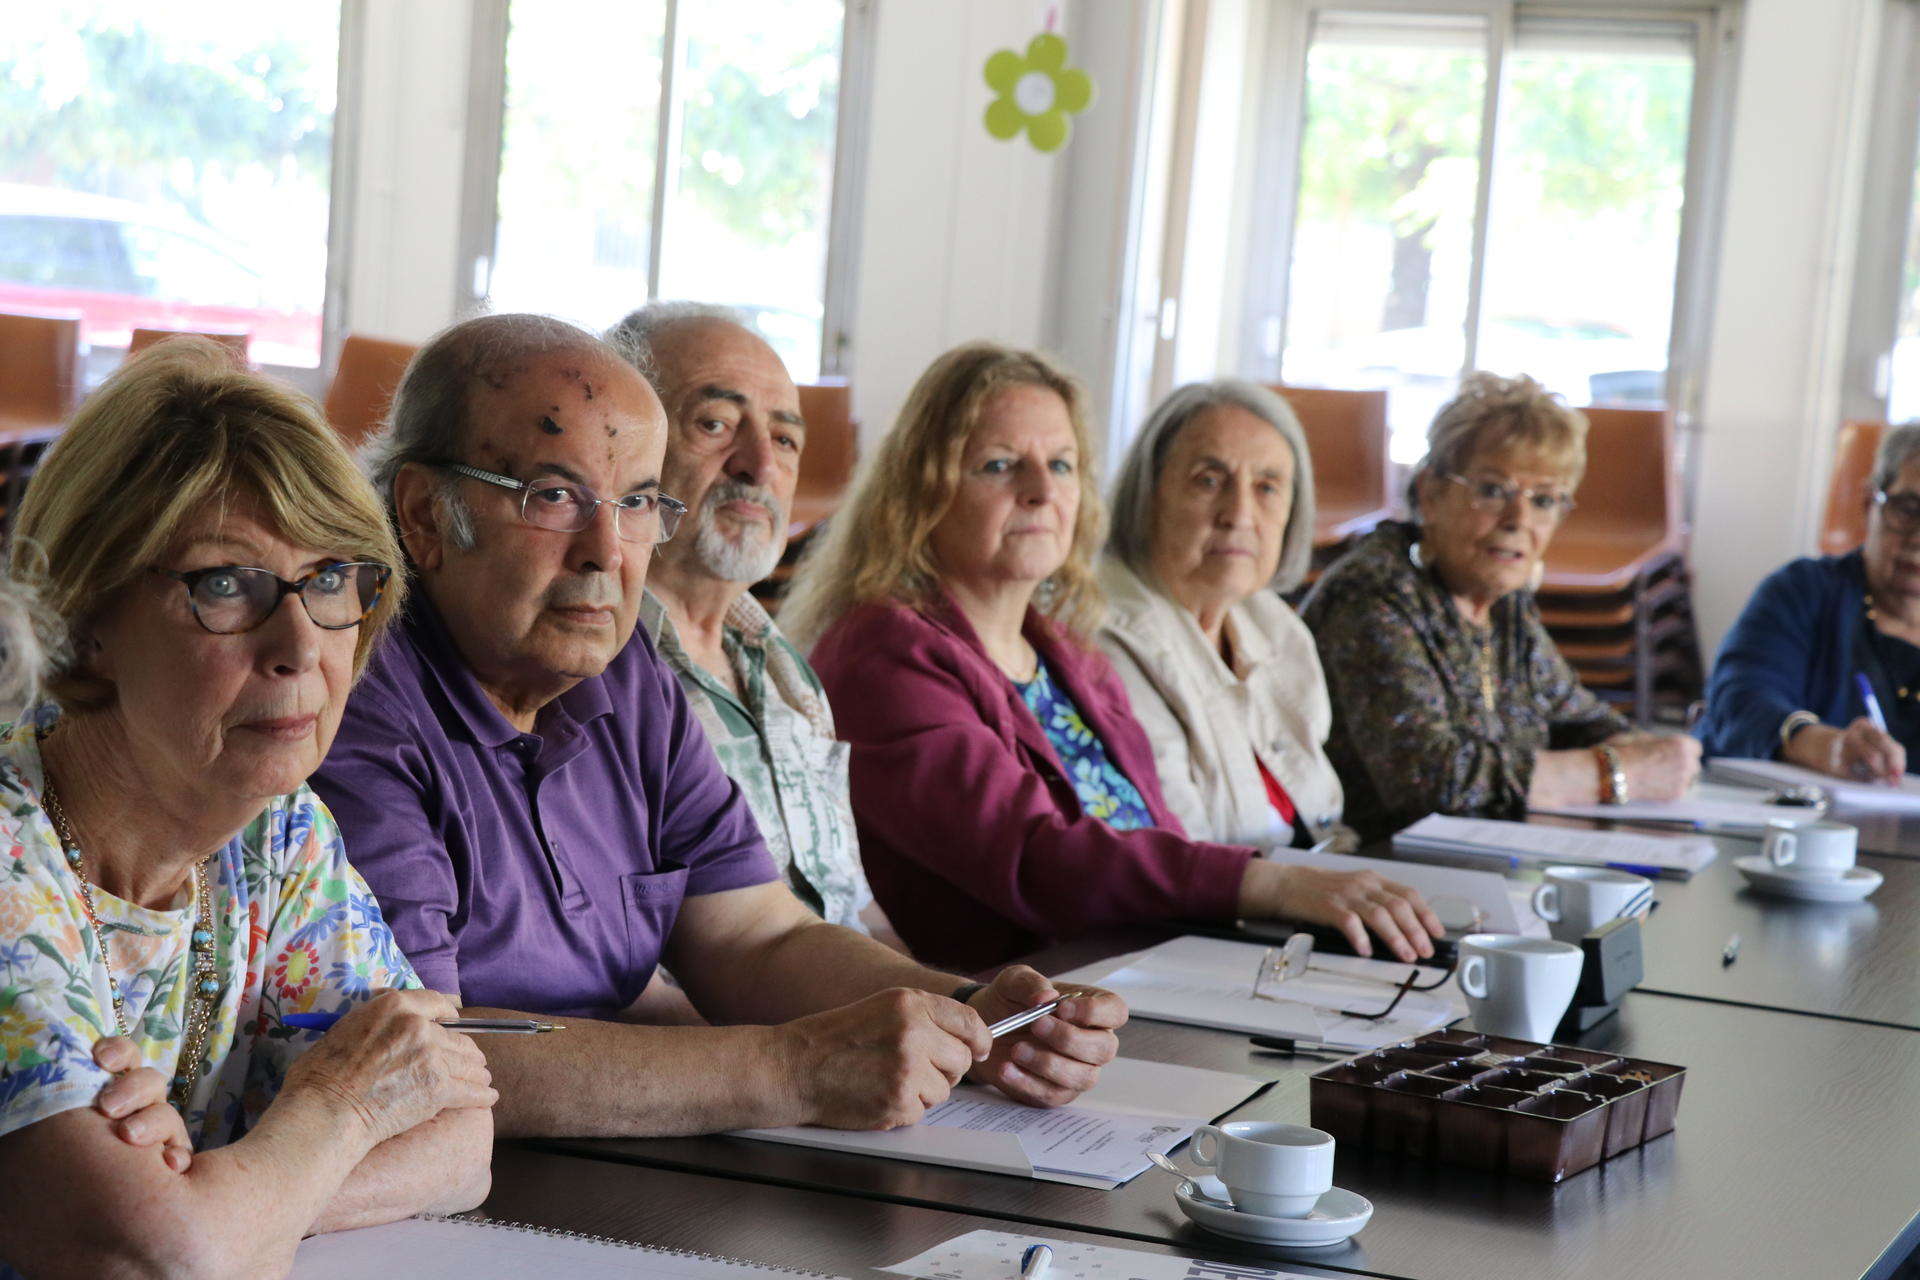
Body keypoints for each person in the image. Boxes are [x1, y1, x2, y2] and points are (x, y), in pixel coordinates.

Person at [314, 314, 1124, 1142]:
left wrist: (966, 1017)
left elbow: (755, 934)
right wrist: (794, 1069)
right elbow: (422, 1058)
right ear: (421, 514)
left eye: (635, 503)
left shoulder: (621, 671)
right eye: (554, 496)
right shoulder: (351, 694)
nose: (606, 552)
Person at [0, 340, 493, 1278]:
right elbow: (154, 1259)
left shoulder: (276, 828)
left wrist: (213, 1197)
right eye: (226, 584)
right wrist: (340, 1107)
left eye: (332, 580)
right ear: (84, 616)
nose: (302, 645)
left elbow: (463, 1137)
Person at [782, 342, 1440, 974]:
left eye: (1062, 465)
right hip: (1007, 1017)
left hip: (1145, 972)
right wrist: (1266, 884)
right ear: (922, 490)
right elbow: (1033, 858)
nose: (1042, 491)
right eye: (1000, 464)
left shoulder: (1064, 645)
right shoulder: (882, 656)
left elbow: (1152, 832)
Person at [1301, 372, 1701, 841]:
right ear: (1430, 493)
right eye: (1492, 490)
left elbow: (1582, 721)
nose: (1519, 521)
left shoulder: (1502, 606)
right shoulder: (1375, 595)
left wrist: (1654, 754)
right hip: (1369, 872)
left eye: (1545, 500)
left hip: (1475, 861)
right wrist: (1614, 772)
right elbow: (1430, 782)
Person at [606, 302, 894, 944]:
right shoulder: (592, 670)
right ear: (617, 446)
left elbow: (853, 907)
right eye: (715, 424)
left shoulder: (782, 665)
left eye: (786, 439)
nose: (760, 465)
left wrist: (960, 1010)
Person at [1097, 380, 1350, 850]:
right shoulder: (1105, 637)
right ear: (1149, 494)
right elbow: (1179, 852)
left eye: (1267, 488)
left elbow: (1325, 821)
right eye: (1208, 481)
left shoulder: (1276, 627)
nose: (1239, 513)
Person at [1698, 422, 1920, 781]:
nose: (1918, 538)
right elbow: (1740, 701)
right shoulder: (1802, 592)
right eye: (1908, 509)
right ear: (1869, 504)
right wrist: (1826, 747)